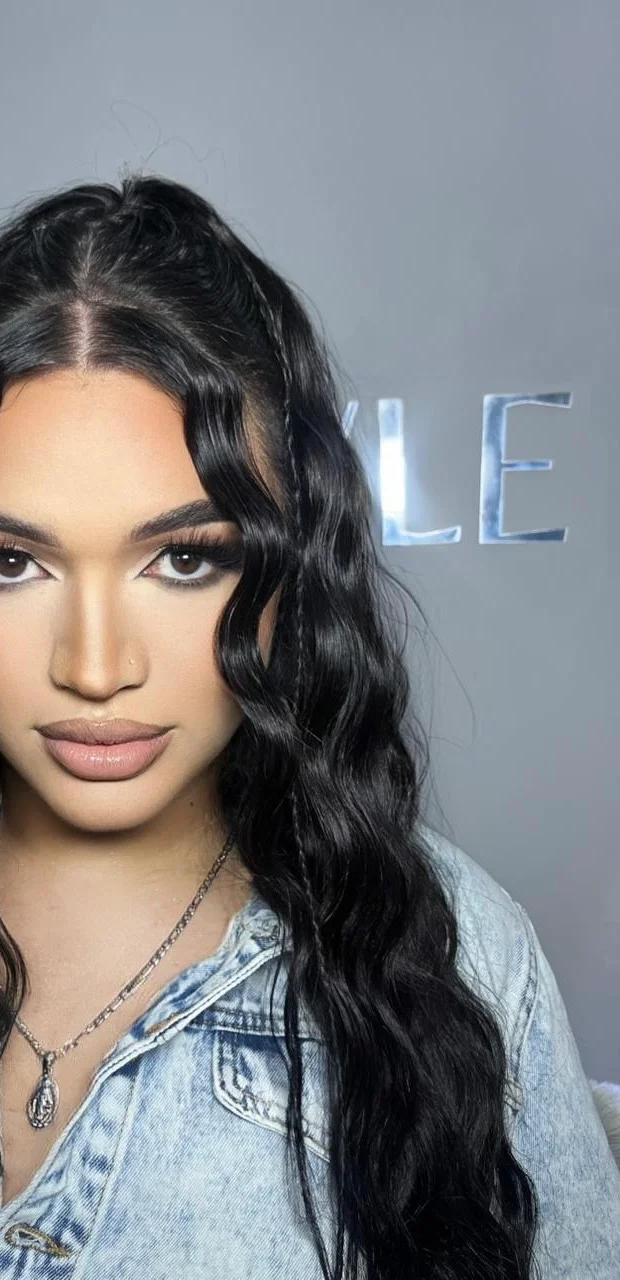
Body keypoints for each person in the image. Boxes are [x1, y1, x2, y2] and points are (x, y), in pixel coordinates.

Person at [0, 173, 615, 1280]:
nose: (94, 667)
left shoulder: (462, 958)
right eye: (11, 563)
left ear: (293, 565)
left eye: (184, 558)